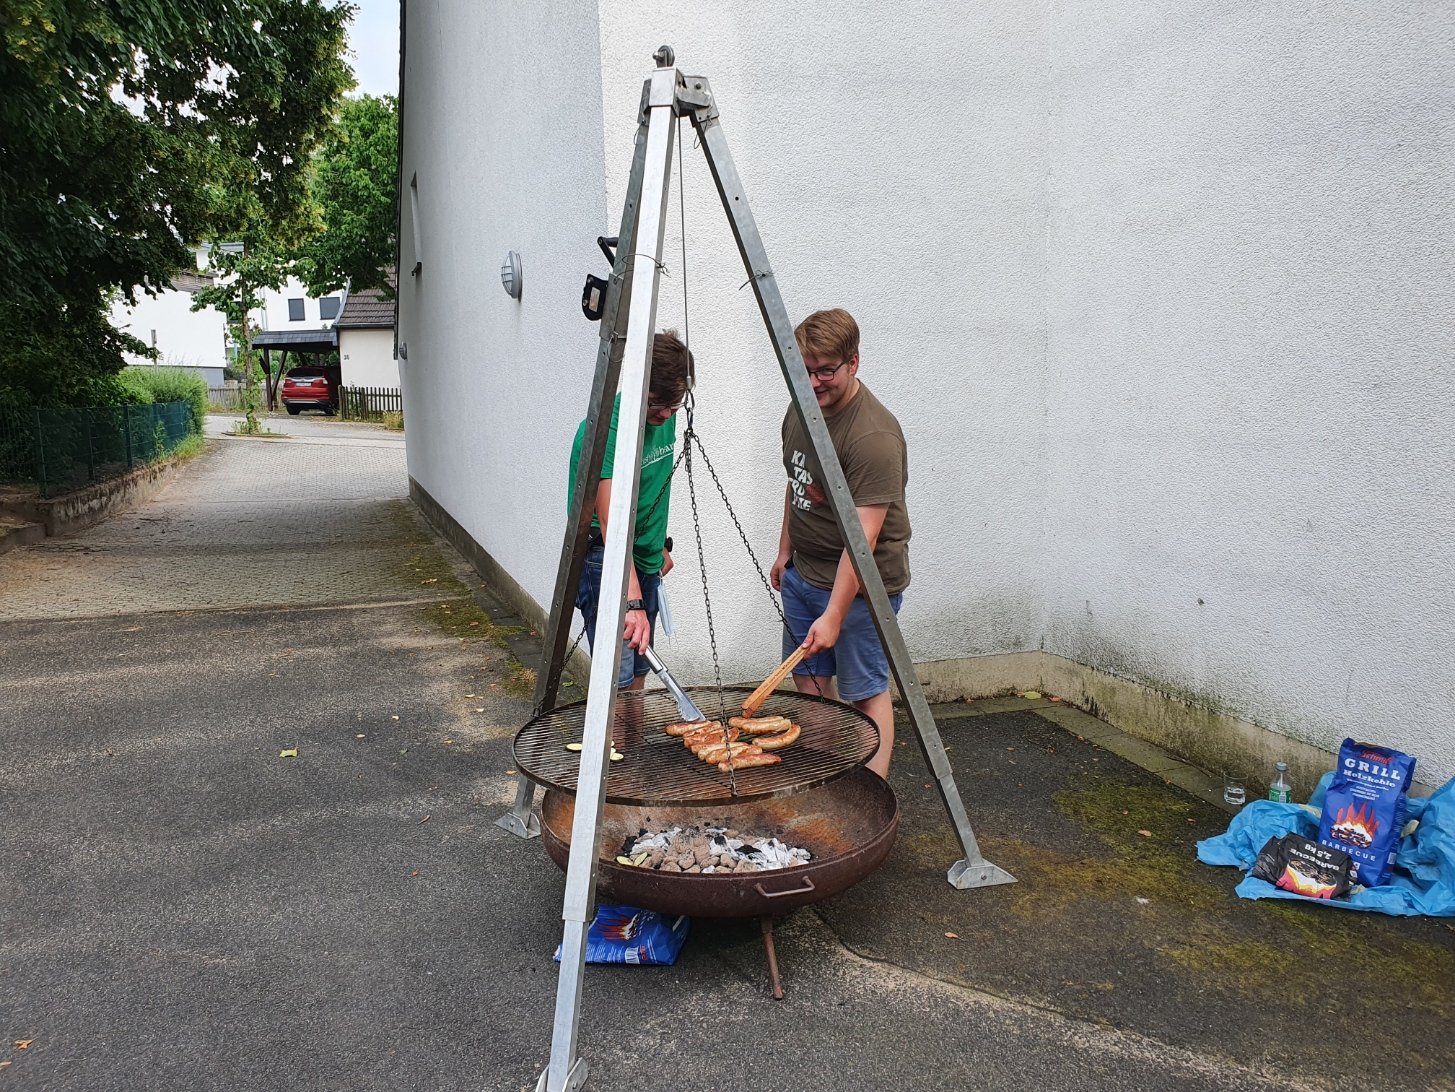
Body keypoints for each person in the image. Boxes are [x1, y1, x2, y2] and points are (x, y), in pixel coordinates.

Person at [771, 309, 910, 778]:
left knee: (864, 689)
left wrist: (833, 613)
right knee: (810, 682)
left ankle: (871, 794)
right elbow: (798, 481)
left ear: (854, 362)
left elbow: (863, 540)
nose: (813, 383)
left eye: (825, 370)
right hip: (804, 574)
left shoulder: (874, 436)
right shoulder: (799, 407)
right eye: (804, 370)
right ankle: (826, 779)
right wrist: (785, 551)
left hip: (863, 590)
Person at [569, 331, 694, 690]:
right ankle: (614, 745)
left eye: (676, 403)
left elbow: (652, 487)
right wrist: (632, 599)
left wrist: (660, 546)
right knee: (618, 682)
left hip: (644, 559)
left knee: (640, 673)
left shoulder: (664, 413)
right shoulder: (607, 429)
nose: (668, 413)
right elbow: (611, 522)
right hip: (604, 559)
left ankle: (634, 748)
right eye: (659, 403)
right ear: (639, 384)